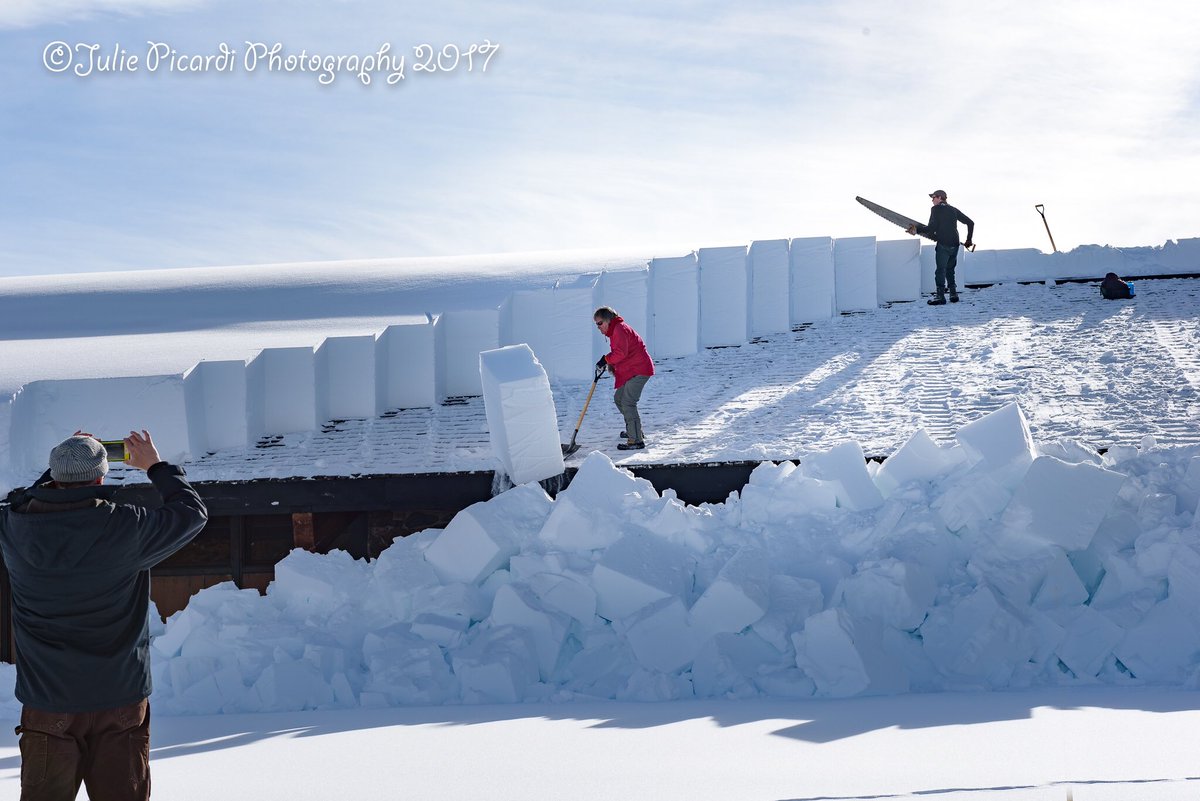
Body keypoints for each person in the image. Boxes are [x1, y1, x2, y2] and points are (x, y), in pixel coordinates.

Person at [0, 430, 207, 801]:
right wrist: (156, 467)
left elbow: (21, 500)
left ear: (53, 476)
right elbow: (191, 514)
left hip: (48, 701)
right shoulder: (127, 528)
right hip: (120, 698)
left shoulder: (14, 528)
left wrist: (63, 467)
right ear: (101, 478)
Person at [594, 306, 655, 450]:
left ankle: (636, 441)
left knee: (628, 403)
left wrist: (606, 360)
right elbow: (621, 353)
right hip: (633, 369)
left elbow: (620, 353)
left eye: (599, 323)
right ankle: (634, 431)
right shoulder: (616, 330)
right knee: (619, 399)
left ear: (608, 320)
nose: (598, 327)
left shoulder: (619, 329)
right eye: (596, 324)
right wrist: (608, 362)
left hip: (639, 370)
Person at [907, 189, 974, 305]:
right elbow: (970, 223)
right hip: (955, 244)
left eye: (933, 198)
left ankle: (940, 297)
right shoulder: (953, 209)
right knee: (950, 270)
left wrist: (916, 230)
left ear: (939, 197)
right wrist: (969, 240)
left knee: (940, 271)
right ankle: (953, 294)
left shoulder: (935, 209)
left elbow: (931, 228)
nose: (932, 200)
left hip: (943, 244)